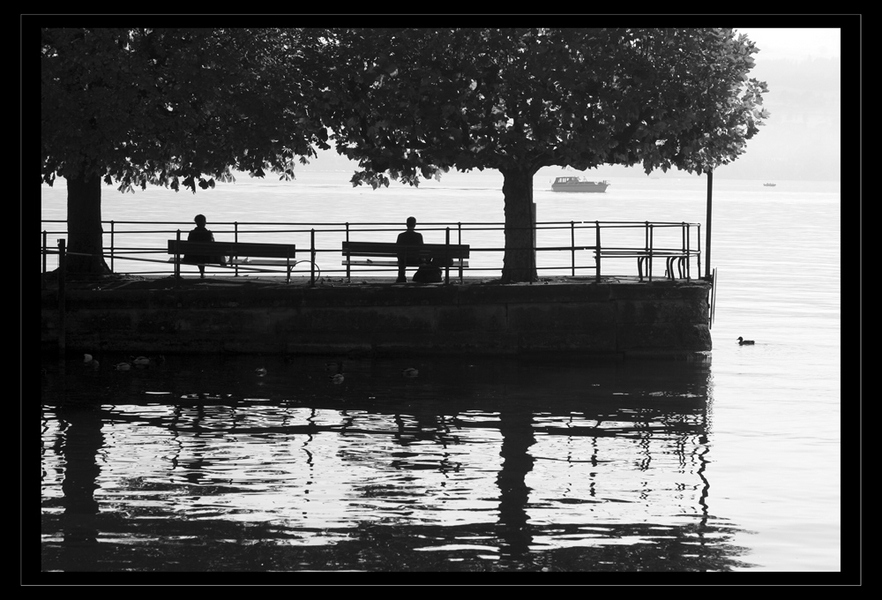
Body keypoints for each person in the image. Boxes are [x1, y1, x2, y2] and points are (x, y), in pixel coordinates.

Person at [396, 216, 424, 283]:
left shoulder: (401, 235)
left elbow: (397, 249)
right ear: (415, 225)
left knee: (401, 257)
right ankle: (422, 277)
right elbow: (422, 249)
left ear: (406, 224)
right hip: (415, 260)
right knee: (424, 259)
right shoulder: (418, 236)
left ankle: (401, 277)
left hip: (403, 260)